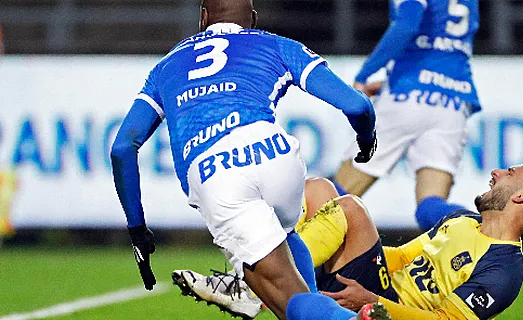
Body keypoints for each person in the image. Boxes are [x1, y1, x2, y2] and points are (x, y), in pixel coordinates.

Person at [109, 0, 378, 319]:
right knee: (288, 241)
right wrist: (366, 139)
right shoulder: (275, 44)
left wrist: (137, 229)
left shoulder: (166, 67)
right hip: (275, 154)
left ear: (203, 17)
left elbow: (123, 148)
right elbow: (357, 105)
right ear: (251, 19)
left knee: (288, 299)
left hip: (216, 173)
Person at [181, 161, 523, 320]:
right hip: (368, 294)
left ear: (522, 197)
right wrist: (369, 281)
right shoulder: (462, 221)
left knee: (349, 208)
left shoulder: (505, 270)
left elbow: (447, 319)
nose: (495, 172)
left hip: (383, 310)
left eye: (509, 173)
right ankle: (275, 290)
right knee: (318, 189)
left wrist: (376, 303)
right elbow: (397, 258)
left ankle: (256, 287)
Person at [333, 0, 482, 231]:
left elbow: (408, 23)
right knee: (430, 209)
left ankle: (299, 262)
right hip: (453, 101)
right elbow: (443, 46)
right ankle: (482, 230)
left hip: (407, 96)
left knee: (334, 201)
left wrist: (365, 74)